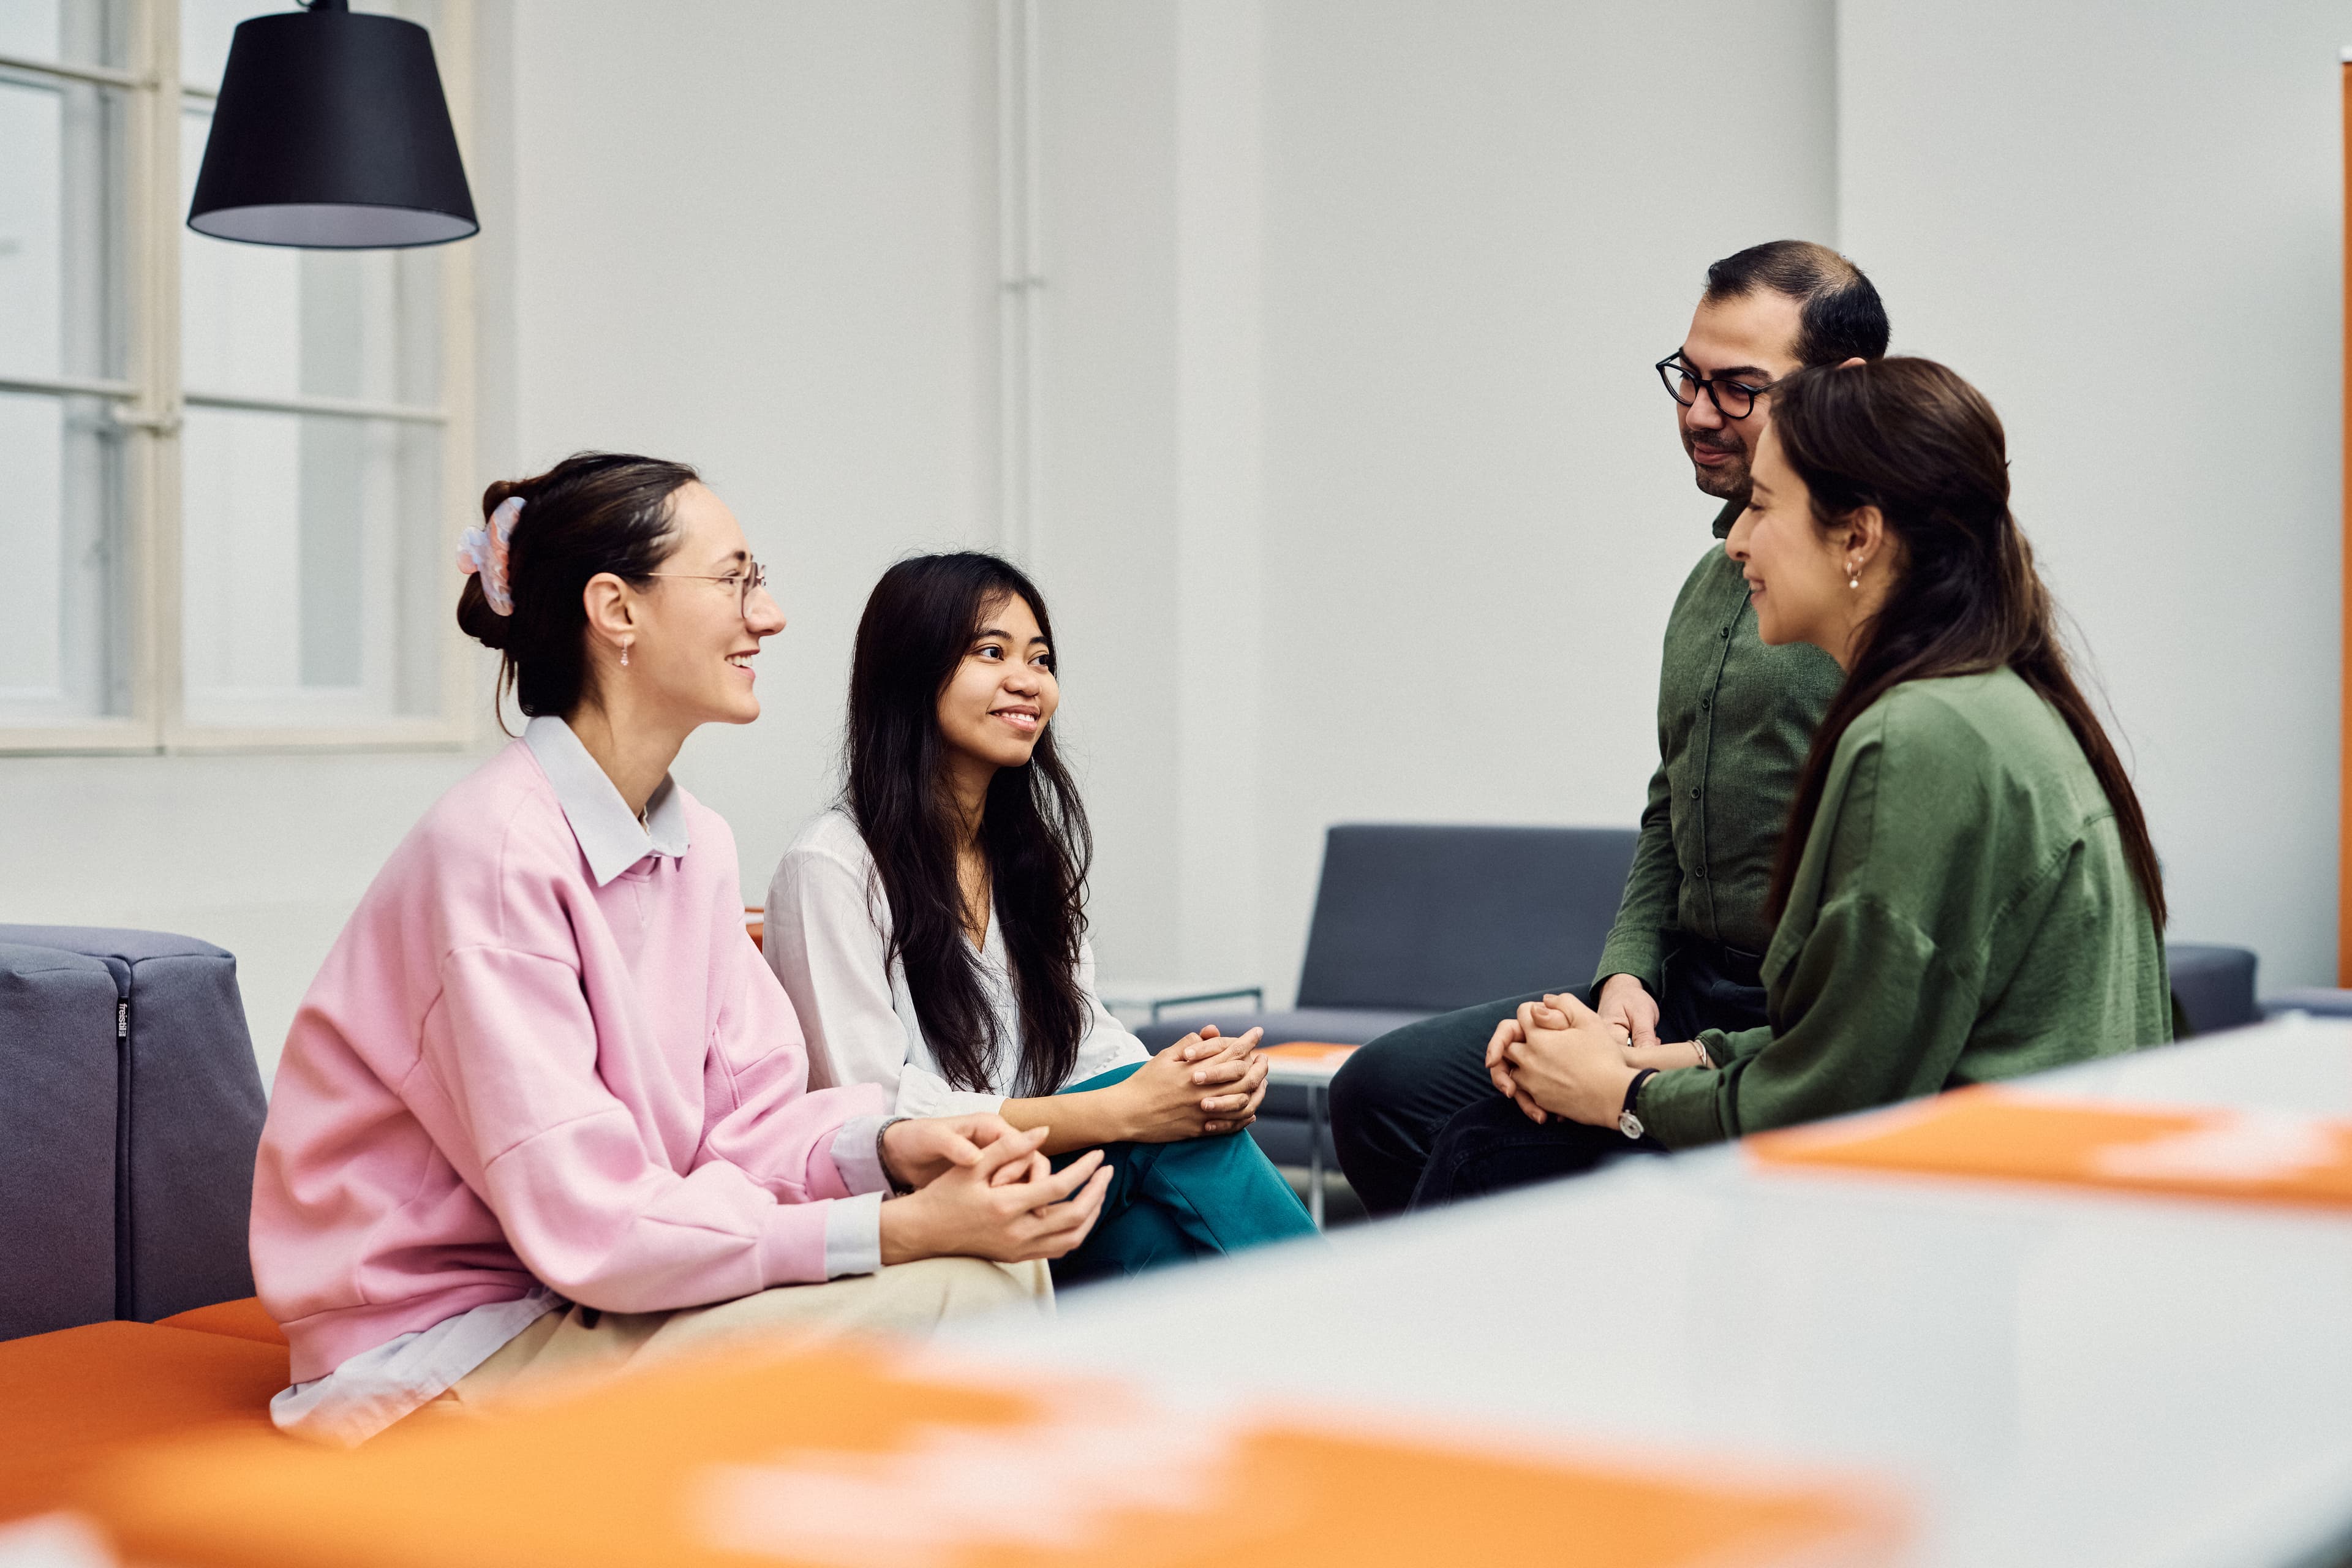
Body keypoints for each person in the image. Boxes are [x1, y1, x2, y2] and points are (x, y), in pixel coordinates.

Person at [251, 456, 1112, 1446]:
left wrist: (886, 1148)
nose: (771, 615)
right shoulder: (495, 852)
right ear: (616, 610)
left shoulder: (694, 841)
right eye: (736, 581)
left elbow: (745, 1123)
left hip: (583, 1296)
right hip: (441, 1358)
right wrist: (892, 1228)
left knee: (994, 1267)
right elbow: (592, 1224)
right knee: (963, 1291)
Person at [1411, 358, 2172, 1203]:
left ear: (1858, 537)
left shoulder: (1917, 738)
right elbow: (1861, 1038)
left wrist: (1619, 1094)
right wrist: (1650, 1056)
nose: (1736, 540)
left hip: (1963, 1212)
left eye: (1763, 507)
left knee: (1491, 1149)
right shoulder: (1994, 698)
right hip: (2016, 1186)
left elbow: (1837, 1098)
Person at [1332, 240, 1890, 1213]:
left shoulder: (1871, 593)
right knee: (1384, 1095)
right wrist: (1625, 976)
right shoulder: (1714, 579)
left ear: (1844, 387)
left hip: (1794, 1013)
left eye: (1739, 388)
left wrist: (1657, 1070)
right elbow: (1671, 804)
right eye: (1688, 378)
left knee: (1487, 1147)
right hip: (1681, 985)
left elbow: (1880, 988)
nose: (1698, 414)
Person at [764, 551, 1319, 1283]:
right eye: (992, 653)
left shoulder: (1027, 857)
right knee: (1179, 1166)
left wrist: (1186, 1083)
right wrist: (1127, 1113)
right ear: (910, 671)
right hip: (929, 1202)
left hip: (1043, 1186)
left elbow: (1081, 1039)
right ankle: (1369, 1345)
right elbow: (877, 1115)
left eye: (1041, 659)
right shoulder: (832, 864)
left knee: (1169, 1224)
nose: (1029, 681)